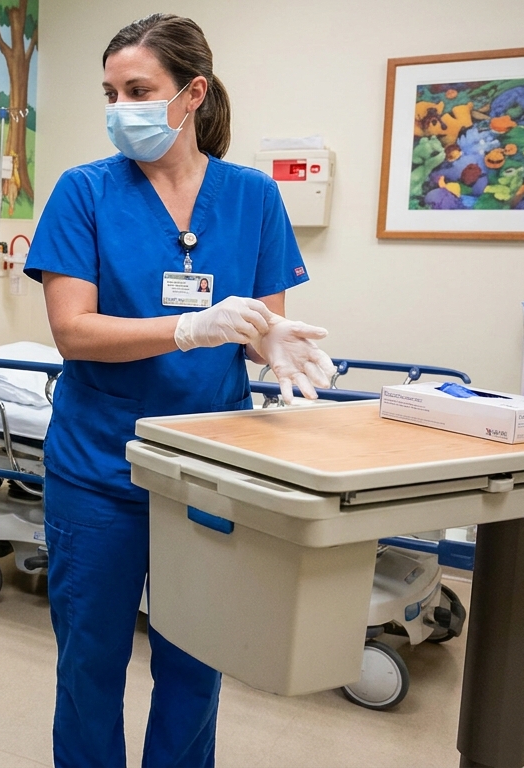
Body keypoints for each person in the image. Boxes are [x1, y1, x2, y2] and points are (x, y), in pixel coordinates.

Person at [23, 14, 335, 768]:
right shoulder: (84, 192)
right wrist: (191, 327)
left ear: (192, 94)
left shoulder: (253, 198)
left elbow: (261, 325)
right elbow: (74, 332)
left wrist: (270, 342)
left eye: (139, 89)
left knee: (195, 667)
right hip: (99, 469)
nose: (120, 106)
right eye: (110, 91)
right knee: (90, 668)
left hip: (208, 468)